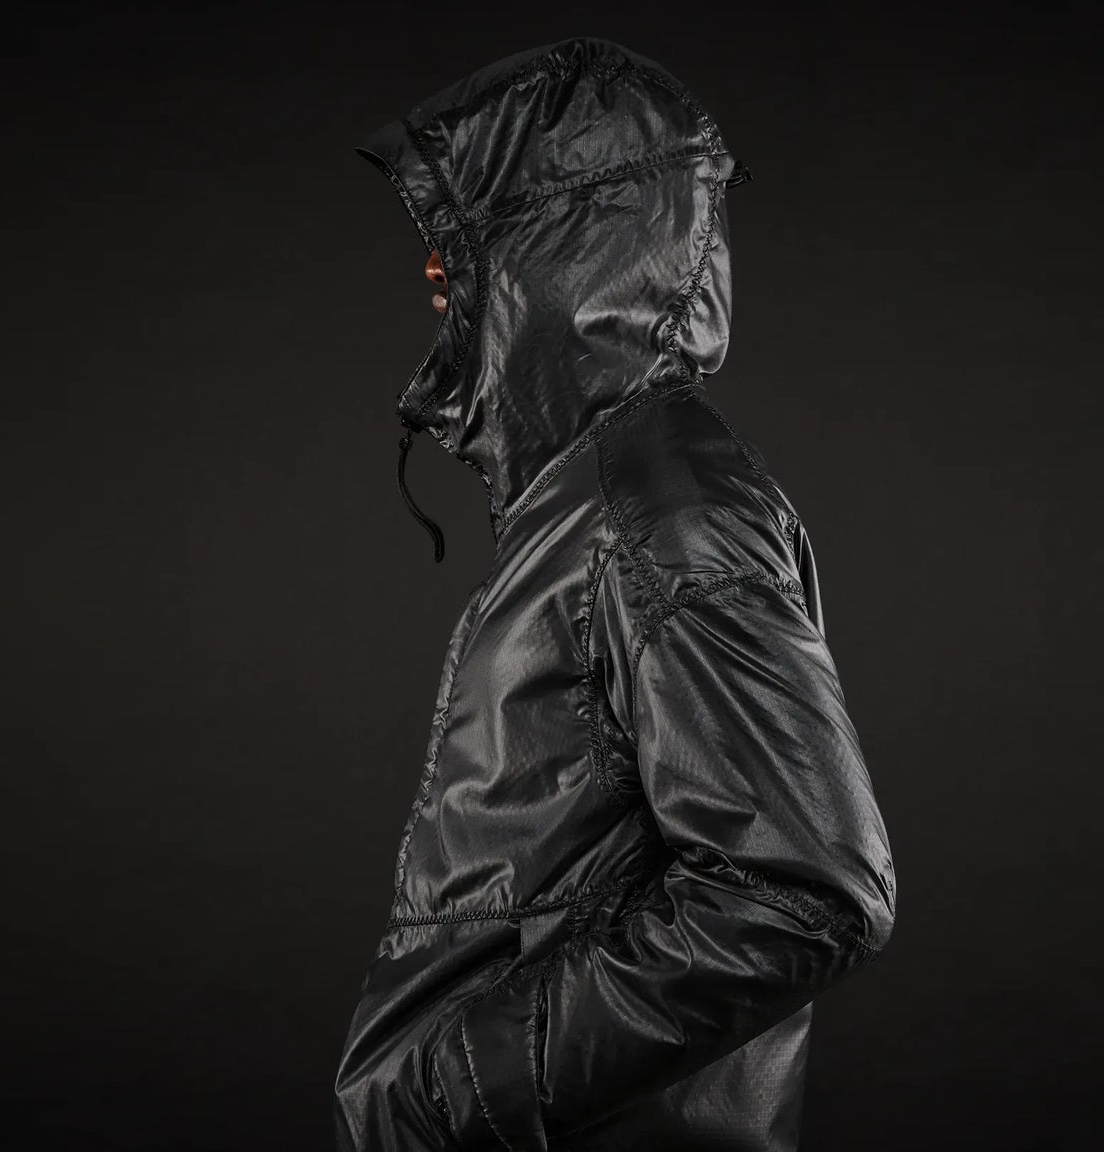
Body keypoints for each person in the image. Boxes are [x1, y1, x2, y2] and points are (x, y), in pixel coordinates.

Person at [333, 36, 897, 1152]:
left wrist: (458, 1085)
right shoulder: (594, 498)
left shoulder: (662, 512)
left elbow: (807, 887)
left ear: (570, 255)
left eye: (467, 240)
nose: (435, 275)